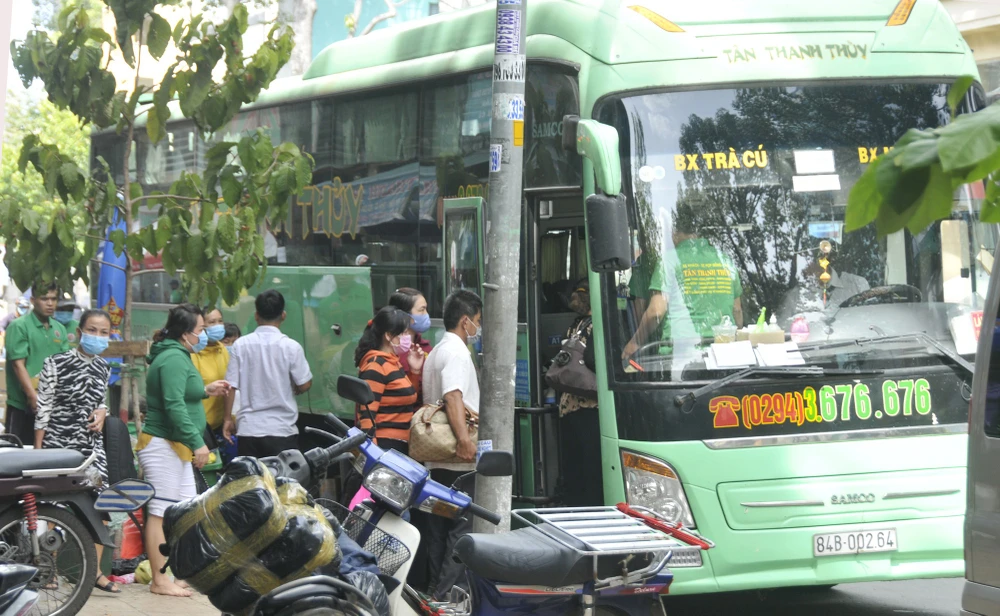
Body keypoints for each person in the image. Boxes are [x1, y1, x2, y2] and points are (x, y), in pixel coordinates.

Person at [138, 303, 231, 597]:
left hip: (173, 446)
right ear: (185, 333)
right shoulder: (174, 359)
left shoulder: (177, 355)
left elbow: (182, 393)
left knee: (184, 513)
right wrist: (198, 442)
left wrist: (207, 390)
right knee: (160, 513)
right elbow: (174, 406)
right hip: (163, 445)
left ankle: (174, 574)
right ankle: (159, 580)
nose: (204, 334)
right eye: (201, 329)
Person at [33, 310, 117, 593]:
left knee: (100, 505)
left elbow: (101, 400)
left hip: (91, 451)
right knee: (55, 509)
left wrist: (104, 411)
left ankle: (93, 572)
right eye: (92, 330)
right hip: (59, 448)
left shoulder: (104, 367)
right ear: (80, 331)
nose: (98, 336)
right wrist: (38, 451)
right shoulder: (56, 363)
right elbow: (43, 408)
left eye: (104, 332)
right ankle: (49, 570)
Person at [623, 205, 744, 360]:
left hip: (680, 357)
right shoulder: (725, 260)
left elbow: (656, 312)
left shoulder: (670, 260)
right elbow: (737, 310)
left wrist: (636, 342)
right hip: (724, 355)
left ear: (675, 233)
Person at [422, 289, 482, 601]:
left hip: (436, 460)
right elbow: (453, 396)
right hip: (457, 459)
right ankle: (447, 595)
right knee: (460, 528)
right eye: (477, 322)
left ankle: (434, 589)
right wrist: (463, 440)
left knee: (438, 527)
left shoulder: (436, 351)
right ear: (464, 321)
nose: (478, 328)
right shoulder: (457, 353)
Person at [223, 290, 313, 458]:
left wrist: (227, 418)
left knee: (252, 482)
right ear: (283, 315)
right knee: (282, 483)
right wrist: (295, 387)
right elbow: (305, 384)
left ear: (256, 316)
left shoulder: (240, 345)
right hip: (282, 430)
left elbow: (230, 386)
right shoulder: (291, 347)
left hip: (249, 430)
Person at [4, 283, 69, 445]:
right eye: (44, 298)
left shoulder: (59, 329)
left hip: (52, 407)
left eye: (53, 299)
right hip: (22, 405)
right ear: (33, 300)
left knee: (49, 456)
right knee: (17, 456)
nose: (50, 303)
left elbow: (64, 365)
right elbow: (18, 365)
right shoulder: (19, 326)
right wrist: (33, 397)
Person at [557, 280, 603, 507]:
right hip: (589, 404)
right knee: (591, 466)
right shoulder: (597, 325)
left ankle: (574, 507)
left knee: (574, 465)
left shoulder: (574, 326)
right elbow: (594, 361)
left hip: (568, 404)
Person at [354, 306, 420, 453]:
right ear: (389, 335)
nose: (407, 337)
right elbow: (366, 415)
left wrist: (414, 371)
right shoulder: (376, 365)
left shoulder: (393, 363)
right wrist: (374, 453)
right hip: (386, 446)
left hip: (399, 444)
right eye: (403, 333)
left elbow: (406, 398)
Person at [387, 288, 432, 402]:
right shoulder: (388, 350)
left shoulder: (425, 348)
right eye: (421, 310)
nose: (426, 315)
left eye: (426, 309)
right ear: (404, 314)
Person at [191, 307, 230, 435]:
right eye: (212, 322)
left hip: (219, 425)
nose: (217, 326)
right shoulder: (193, 353)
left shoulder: (222, 350)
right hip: (198, 426)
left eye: (220, 321)